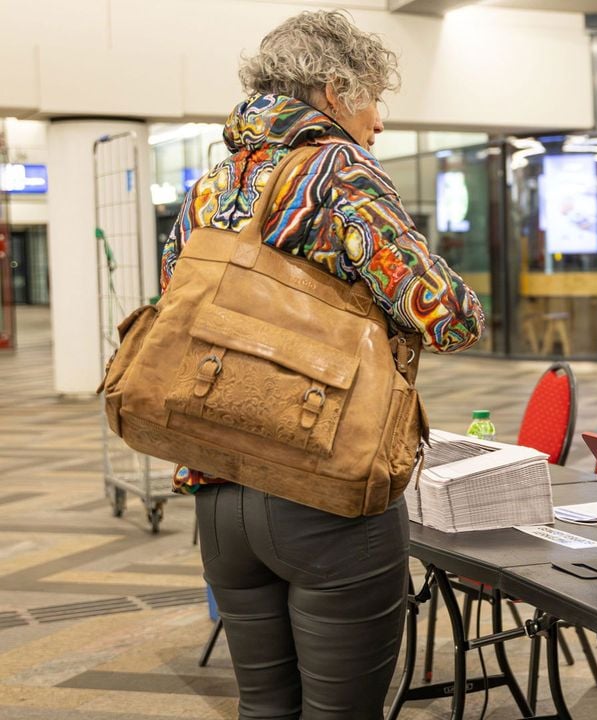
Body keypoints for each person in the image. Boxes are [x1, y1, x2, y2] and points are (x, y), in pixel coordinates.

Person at [161, 11, 484, 719]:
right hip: (325, 486)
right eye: (373, 97)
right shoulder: (340, 174)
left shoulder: (208, 189)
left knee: (264, 710)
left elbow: (174, 305)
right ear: (335, 91)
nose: (379, 120)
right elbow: (449, 317)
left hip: (219, 488)